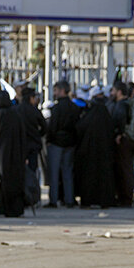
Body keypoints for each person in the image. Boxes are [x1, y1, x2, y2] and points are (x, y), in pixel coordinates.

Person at [0, 92, 29, 217]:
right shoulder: (17, 114)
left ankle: (2, 208)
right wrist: (24, 154)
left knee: (2, 181)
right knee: (15, 181)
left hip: (1, 154)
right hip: (17, 153)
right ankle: (15, 209)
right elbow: (23, 135)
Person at [76, 88, 118, 208]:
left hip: (89, 152)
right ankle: (105, 200)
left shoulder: (89, 117)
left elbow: (80, 128)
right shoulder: (106, 117)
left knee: (89, 177)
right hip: (105, 152)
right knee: (105, 177)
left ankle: (88, 200)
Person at [45, 80, 81, 208]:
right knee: (68, 172)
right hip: (70, 142)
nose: (54, 93)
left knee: (54, 173)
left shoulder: (56, 108)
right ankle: (69, 199)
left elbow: (52, 126)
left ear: (61, 91)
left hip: (56, 143)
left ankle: (53, 200)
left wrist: (49, 140)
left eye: (55, 90)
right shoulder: (75, 108)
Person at [17, 85, 46, 208]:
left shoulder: (16, 109)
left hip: (19, 145)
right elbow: (44, 126)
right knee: (32, 173)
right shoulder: (34, 111)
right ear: (30, 98)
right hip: (33, 145)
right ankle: (32, 197)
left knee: (20, 172)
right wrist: (38, 135)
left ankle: (22, 197)